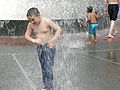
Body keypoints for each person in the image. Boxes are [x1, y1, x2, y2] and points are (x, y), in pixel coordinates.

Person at [25, 7, 62, 90]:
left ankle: (49, 87)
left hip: (49, 47)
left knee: (48, 67)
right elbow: (26, 35)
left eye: (33, 19)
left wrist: (53, 40)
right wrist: (34, 40)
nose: (32, 22)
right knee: (43, 68)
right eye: (30, 20)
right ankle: (46, 86)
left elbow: (58, 29)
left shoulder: (46, 21)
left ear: (39, 15)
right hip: (40, 48)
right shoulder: (31, 25)